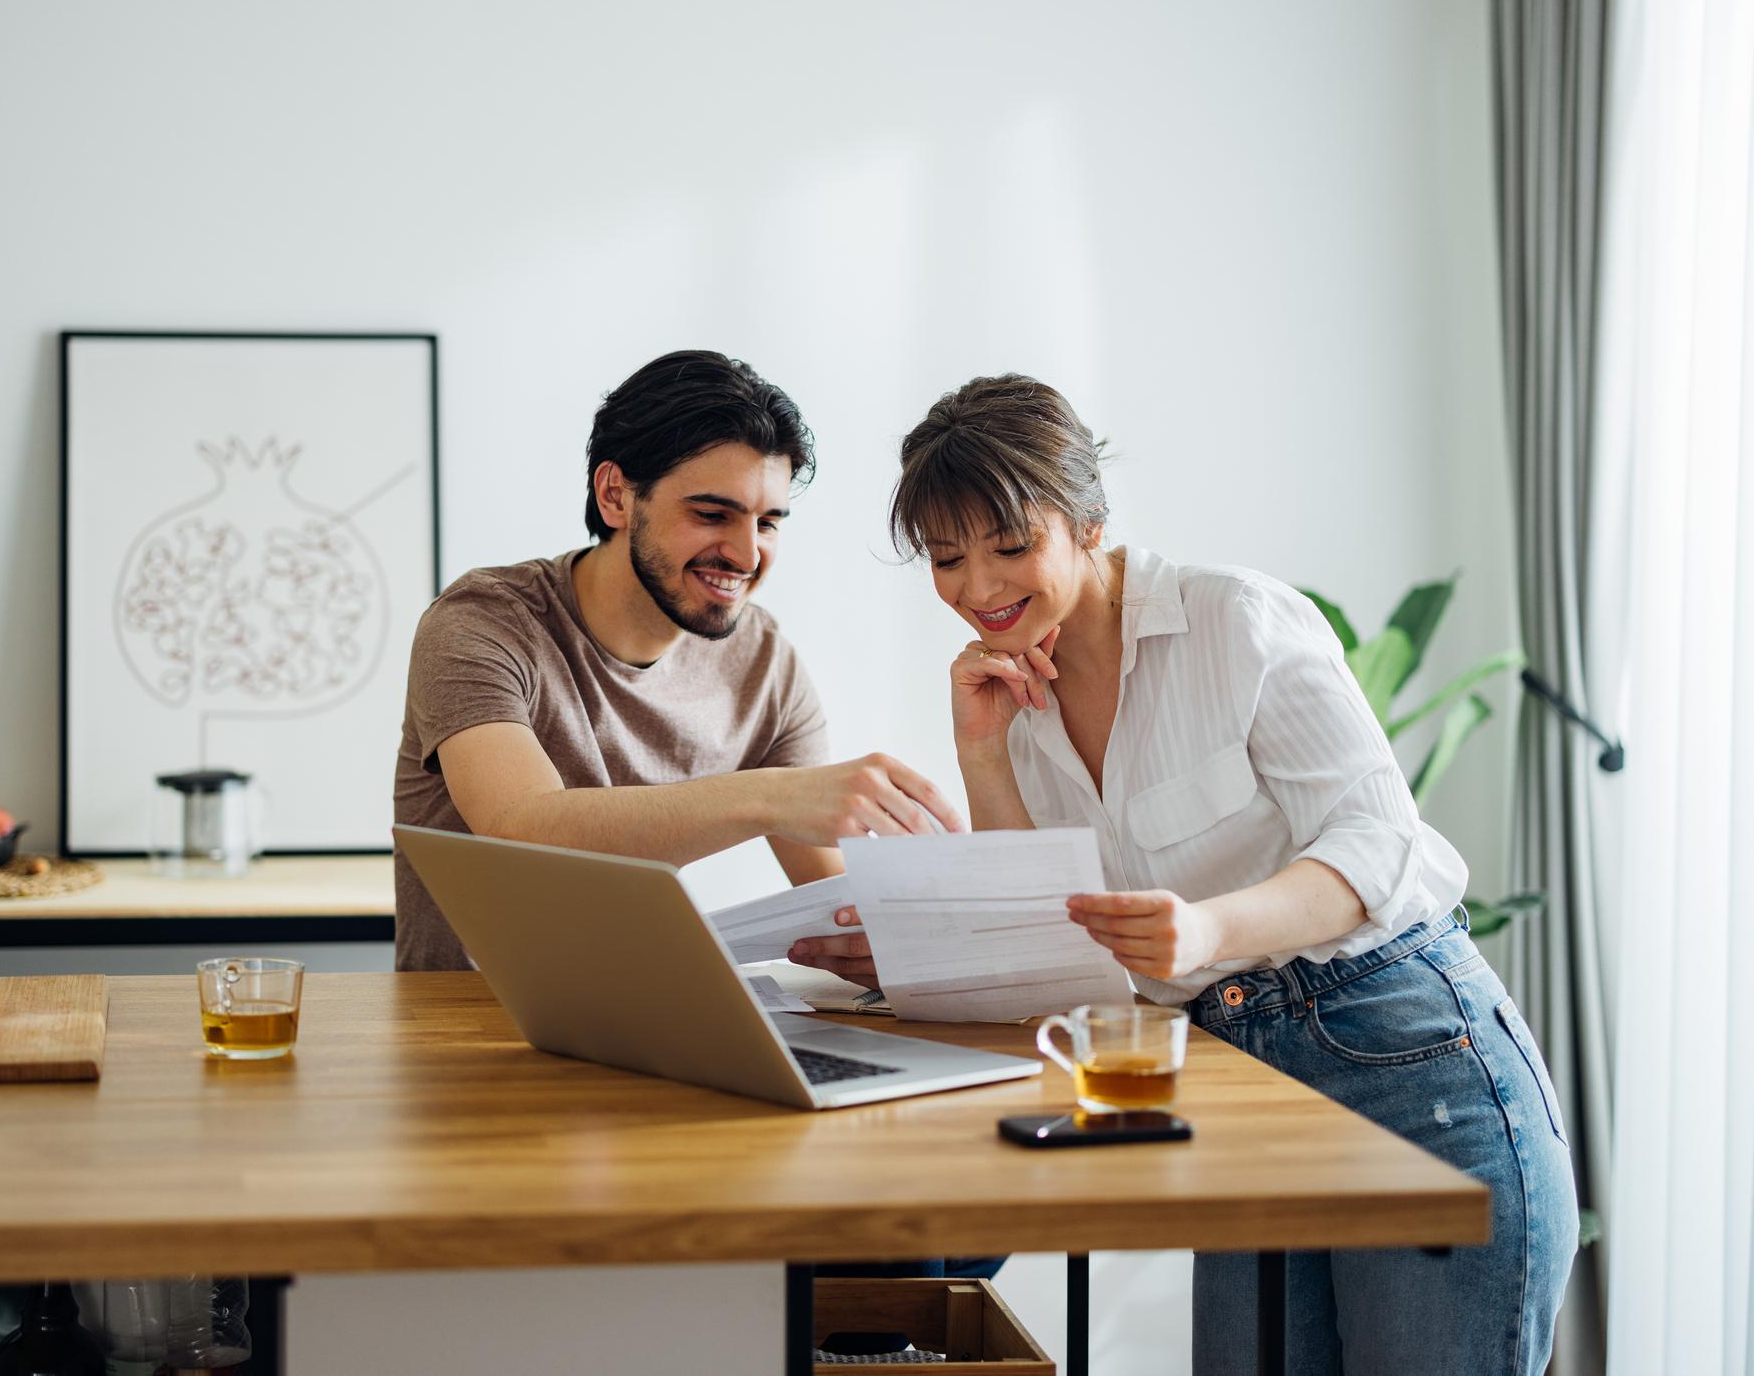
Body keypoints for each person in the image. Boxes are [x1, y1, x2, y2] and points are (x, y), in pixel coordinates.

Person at [793, 374, 1578, 1373]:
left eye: (1007, 545)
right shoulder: (1012, 696)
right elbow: (1044, 936)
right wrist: (981, 754)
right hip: (1239, 1090)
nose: (977, 586)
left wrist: (1205, 930)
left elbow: (1377, 840)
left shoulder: (1233, 619)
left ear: (1086, 518)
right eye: (947, 558)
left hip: (1405, 1059)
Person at [391, 349, 964, 973]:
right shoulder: (483, 622)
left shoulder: (765, 664)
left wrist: (879, 940)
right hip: (466, 1036)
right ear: (615, 495)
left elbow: (829, 893)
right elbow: (518, 827)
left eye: (768, 523)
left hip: (655, 1023)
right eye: (712, 514)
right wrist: (771, 798)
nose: (746, 554)